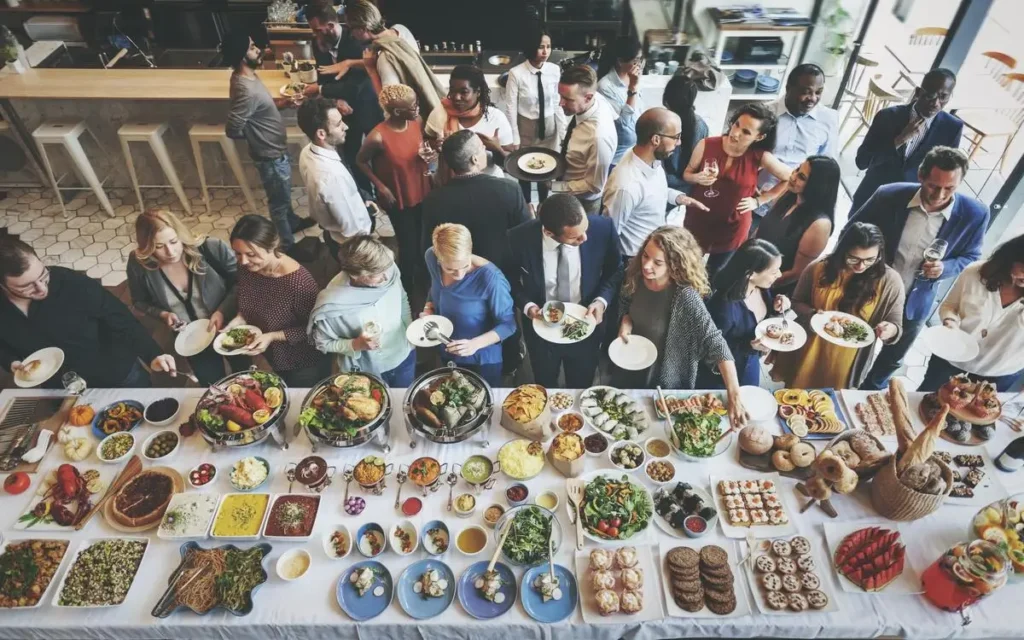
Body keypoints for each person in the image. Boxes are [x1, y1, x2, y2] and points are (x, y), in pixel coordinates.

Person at [849, 146, 988, 390]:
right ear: (921, 176)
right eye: (934, 185)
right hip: (871, 288)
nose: (940, 194)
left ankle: (868, 393)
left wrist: (945, 268)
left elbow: (971, 255)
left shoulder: (975, 214)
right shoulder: (888, 195)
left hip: (917, 299)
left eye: (950, 188)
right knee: (854, 343)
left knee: (893, 357)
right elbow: (851, 232)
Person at [0, 232, 177, 388]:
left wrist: (152, 354)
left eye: (43, 275)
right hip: (60, 387)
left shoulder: (71, 283)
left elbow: (119, 317)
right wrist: (11, 361)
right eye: (26, 287)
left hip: (114, 374)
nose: (41, 289)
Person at [616, 226, 749, 427]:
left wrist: (734, 394)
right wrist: (626, 323)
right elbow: (625, 304)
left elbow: (715, 342)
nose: (647, 265)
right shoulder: (635, 274)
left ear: (675, 265)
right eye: (645, 256)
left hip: (660, 378)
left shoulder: (685, 297)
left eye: (657, 262)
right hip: (630, 364)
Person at [770, 223, 905, 390]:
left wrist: (889, 330)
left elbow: (896, 325)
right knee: (798, 394)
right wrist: (813, 314)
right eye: (853, 259)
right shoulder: (819, 268)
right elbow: (797, 302)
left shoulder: (890, 281)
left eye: (870, 259)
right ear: (842, 251)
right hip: (811, 348)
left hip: (846, 359)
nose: (860, 266)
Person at [507, 194, 623, 388]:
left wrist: (602, 300)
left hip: (586, 323)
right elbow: (509, 279)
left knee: (581, 383)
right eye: (575, 237)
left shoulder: (603, 228)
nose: (585, 238)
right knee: (545, 383)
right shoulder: (518, 238)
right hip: (541, 327)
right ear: (550, 233)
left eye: (585, 229)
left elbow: (615, 270)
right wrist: (528, 306)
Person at [127, 209, 249, 386]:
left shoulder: (211, 248)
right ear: (147, 247)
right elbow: (139, 301)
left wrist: (222, 311)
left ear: (181, 235)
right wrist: (163, 314)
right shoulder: (139, 264)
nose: (170, 252)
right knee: (212, 386)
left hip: (228, 326)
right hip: (190, 339)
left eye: (174, 241)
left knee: (244, 375)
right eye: (159, 247)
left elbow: (243, 282)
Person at [223, 32, 312, 251]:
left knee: (283, 192)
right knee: (278, 204)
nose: (258, 50)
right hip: (269, 155)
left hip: (274, 150)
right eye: (252, 47)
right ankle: (288, 246)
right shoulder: (245, 90)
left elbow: (260, 110)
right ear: (242, 56)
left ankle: (293, 223)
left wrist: (283, 103)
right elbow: (233, 129)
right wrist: (257, 138)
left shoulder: (249, 77)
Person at [683, 103, 792, 277]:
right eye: (736, 124)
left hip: (732, 227)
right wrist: (696, 177)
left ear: (760, 137)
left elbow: (789, 178)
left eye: (746, 132)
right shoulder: (707, 144)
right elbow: (687, 173)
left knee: (714, 275)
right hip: (698, 220)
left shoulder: (760, 156)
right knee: (686, 267)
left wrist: (760, 200)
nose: (735, 133)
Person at [227, 215, 329, 387]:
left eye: (251, 254)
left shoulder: (298, 283)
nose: (243, 261)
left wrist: (273, 336)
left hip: (303, 361)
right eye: (238, 253)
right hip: (274, 354)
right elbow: (245, 295)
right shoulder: (247, 267)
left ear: (272, 246)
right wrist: (240, 317)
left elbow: (316, 330)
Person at [919, 234, 1024, 392]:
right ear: (1011, 258)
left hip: (999, 372)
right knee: (926, 402)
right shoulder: (975, 272)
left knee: (974, 415)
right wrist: (950, 323)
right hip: (952, 357)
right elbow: (950, 305)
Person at [308, 235, 415, 386]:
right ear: (354, 275)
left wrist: (410, 335)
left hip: (403, 355)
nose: (386, 278)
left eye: (386, 269)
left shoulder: (386, 269)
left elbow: (402, 299)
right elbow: (323, 343)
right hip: (368, 370)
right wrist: (356, 344)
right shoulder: (331, 303)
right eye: (375, 275)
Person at [602, 108, 709, 259]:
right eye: (676, 137)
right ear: (656, 140)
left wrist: (679, 198)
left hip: (652, 246)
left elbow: (650, 193)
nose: (679, 143)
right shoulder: (626, 186)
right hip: (634, 257)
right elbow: (610, 233)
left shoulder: (653, 160)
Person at [851, 68, 963, 212]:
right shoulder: (887, 116)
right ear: (918, 92)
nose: (936, 103)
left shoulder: (952, 128)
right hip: (869, 198)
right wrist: (899, 140)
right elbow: (862, 162)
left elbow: (945, 175)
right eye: (930, 95)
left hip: (909, 207)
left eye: (943, 97)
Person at [420, 130, 530, 276]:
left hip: (460, 274)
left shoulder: (433, 200)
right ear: (475, 159)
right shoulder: (509, 189)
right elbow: (524, 236)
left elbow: (430, 247)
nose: (485, 149)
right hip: (502, 271)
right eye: (482, 147)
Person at [356, 84, 432, 294]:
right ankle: (406, 287)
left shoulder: (416, 122)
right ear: (397, 112)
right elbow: (360, 161)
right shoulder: (377, 137)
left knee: (422, 238)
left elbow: (420, 148)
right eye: (413, 105)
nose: (417, 108)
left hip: (420, 188)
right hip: (398, 196)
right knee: (407, 245)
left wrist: (428, 155)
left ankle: (423, 276)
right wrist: (380, 186)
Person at [422, 223, 516, 386]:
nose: (459, 274)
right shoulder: (430, 257)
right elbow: (435, 289)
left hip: (481, 359)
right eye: (450, 269)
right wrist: (428, 308)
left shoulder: (491, 278)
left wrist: (474, 344)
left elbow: (509, 325)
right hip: (446, 348)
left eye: (465, 266)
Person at [306, 1, 383, 194]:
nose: (315, 35)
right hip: (342, 113)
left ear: (331, 26)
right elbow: (324, 74)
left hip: (368, 107)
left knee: (379, 155)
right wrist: (335, 102)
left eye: (318, 30)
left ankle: (385, 191)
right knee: (353, 158)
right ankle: (367, 199)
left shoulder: (358, 40)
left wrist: (322, 90)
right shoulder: (319, 43)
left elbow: (356, 86)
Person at [753, 63, 839, 232]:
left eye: (818, 92)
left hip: (793, 206)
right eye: (806, 91)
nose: (812, 98)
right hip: (756, 197)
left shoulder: (829, 119)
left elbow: (827, 166)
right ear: (788, 88)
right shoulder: (764, 114)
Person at [326, 0, 444, 114]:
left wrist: (371, 69)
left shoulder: (385, 59)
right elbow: (401, 62)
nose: (351, 34)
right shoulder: (401, 30)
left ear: (362, 29)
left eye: (351, 28)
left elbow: (391, 105)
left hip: (411, 118)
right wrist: (350, 63)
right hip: (429, 106)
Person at [699, 239, 788, 388]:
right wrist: (749, 346)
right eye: (774, 271)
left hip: (750, 362)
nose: (779, 275)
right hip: (725, 375)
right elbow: (708, 351)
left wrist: (777, 308)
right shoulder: (723, 309)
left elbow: (763, 322)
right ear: (750, 274)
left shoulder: (761, 288)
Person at [297, 96, 374, 258]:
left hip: (331, 230)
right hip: (352, 244)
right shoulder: (332, 177)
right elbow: (352, 229)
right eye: (339, 124)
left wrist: (360, 200)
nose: (345, 126)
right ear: (321, 133)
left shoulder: (306, 151)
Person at [754, 155, 840, 296]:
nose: (793, 176)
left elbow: (797, 272)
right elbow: (761, 230)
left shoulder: (819, 225)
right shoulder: (788, 195)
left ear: (817, 186)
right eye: (797, 170)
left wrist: (757, 283)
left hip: (773, 288)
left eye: (802, 177)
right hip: (751, 272)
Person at [503, 26, 565, 202]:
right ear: (531, 47)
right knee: (524, 168)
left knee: (546, 168)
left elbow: (556, 102)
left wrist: (562, 130)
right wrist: (514, 136)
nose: (546, 51)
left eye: (548, 46)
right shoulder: (516, 73)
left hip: (549, 125)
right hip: (526, 126)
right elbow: (510, 106)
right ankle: (527, 204)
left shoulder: (554, 70)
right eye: (541, 47)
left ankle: (543, 205)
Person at [425, 65, 515, 174]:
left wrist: (497, 149)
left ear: (478, 92)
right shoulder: (440, 113)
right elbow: (427, 141)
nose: (456, 97)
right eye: (452, 91)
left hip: (488, 184)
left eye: (464, 92)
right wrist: (437, 145)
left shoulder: (496, 118)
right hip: (453, 183)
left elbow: (509, 164)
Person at [551, 65, 617, 214]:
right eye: (560, 96)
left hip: (583, 202)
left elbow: (595, 186)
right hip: (569, 184)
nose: (560, 103)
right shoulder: (596, 98)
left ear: (588, 98)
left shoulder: (598, 137)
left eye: (567, 99)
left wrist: (554, 186)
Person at [597, 36, 644, 166]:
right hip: (618, 156)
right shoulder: (605, 86)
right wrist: (632, 89)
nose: (639, 64)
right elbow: (623, 123)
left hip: (637, 149)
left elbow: (639, 111)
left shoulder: (634, 77)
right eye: (636, 60)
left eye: (641, 59)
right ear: (620, 61)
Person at [662, 75, 708, 194]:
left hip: (666, 187)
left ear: (667, 102)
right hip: (690, 189)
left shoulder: (662, 124)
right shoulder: (701, 125)